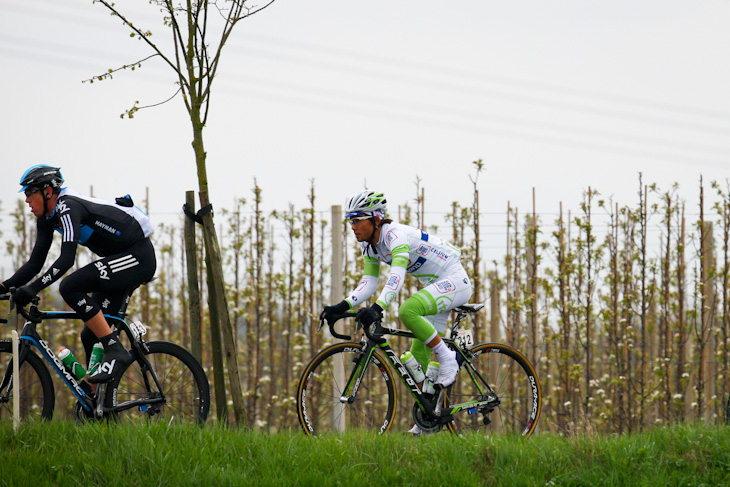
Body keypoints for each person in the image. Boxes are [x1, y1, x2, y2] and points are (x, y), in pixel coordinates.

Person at [321, 190, 473, 432]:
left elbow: (397, 273)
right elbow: (369, 281)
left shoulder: (395, 236)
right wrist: (342, 305)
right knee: (417, 363)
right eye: (351, 221)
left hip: (454, 280)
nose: (353, 226)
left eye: (358, 219)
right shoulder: (369, 247)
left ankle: (448, 360)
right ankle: (426, 424)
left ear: (375, 219)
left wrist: (378, 307)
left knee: (408, 310)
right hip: (435, 286)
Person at [0, 165, 156, 384]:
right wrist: (4, 287)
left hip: (137, 256)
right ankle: (98, 401)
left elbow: (66, 260)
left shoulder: (68, 207)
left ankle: (116, 350)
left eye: (29, 192)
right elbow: (35, 263)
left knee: (70, 286)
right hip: (119, 259)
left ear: (47, 192)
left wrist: (33, 289)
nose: (26, 200)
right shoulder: (47, 217)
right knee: (90, 334)